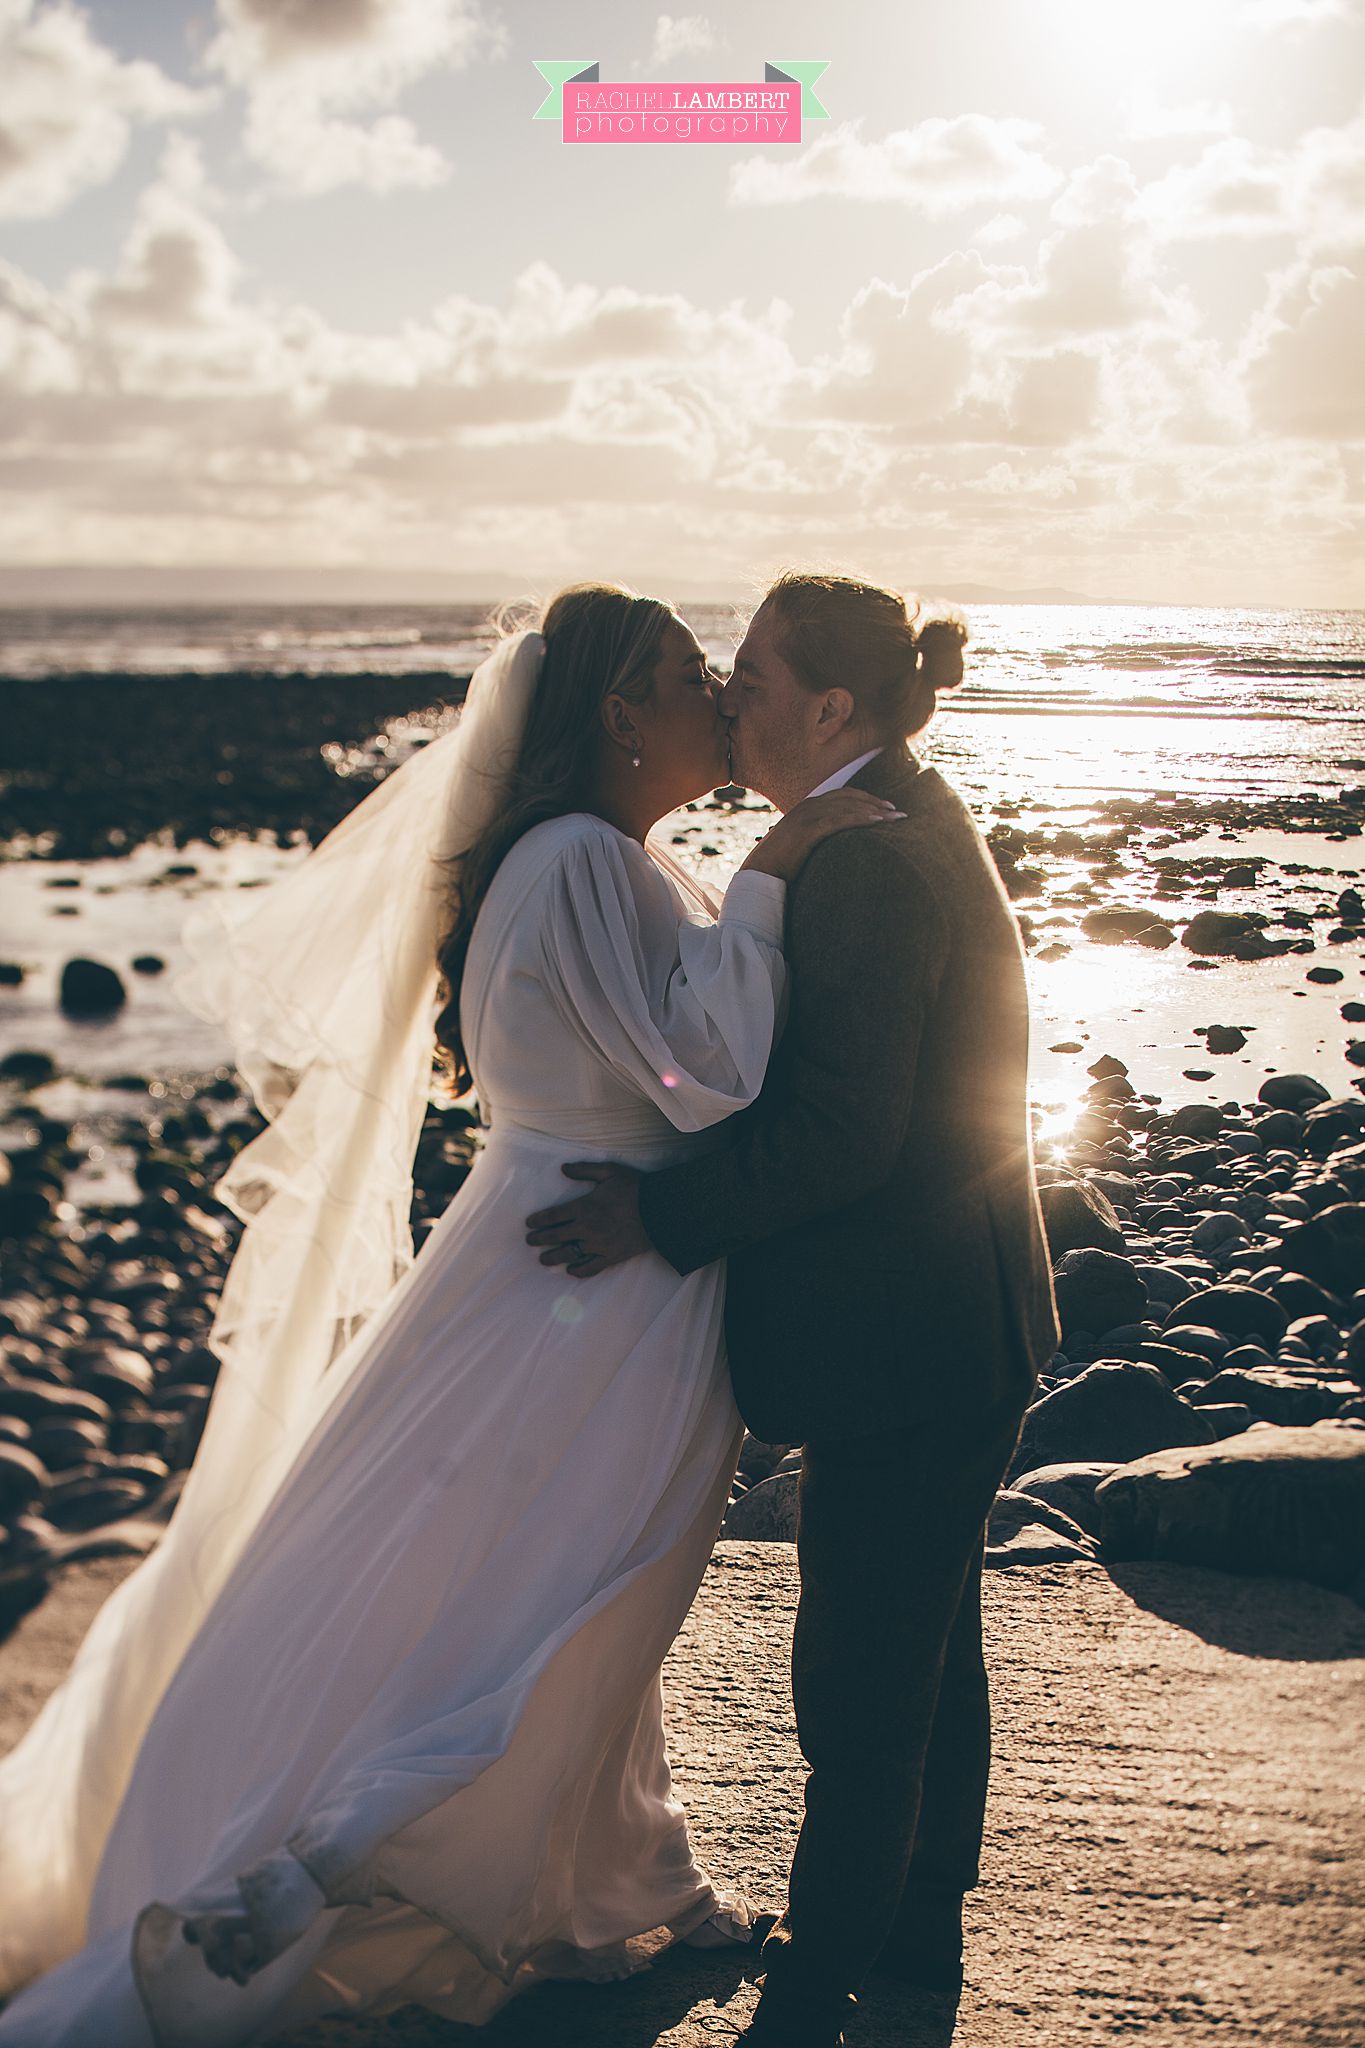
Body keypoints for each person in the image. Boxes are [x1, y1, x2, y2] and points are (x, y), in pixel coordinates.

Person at [0, 584, 897, 2045]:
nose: (719, 697)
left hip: (561, 1268)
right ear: (616, 718)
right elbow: (703, 1073)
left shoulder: (588, 857)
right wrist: (779, 868)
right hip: (590, 1287)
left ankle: (607, 1873)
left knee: (537, 1590)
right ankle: (318, 1871)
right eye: (687, 676)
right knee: (543, 1599)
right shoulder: (586, 862)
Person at [527, 571, 1062, 2048]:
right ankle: (904, 1959)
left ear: (829, 707)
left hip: (916, 1337)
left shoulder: (872, 861)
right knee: (924, 1660)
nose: (728, 696)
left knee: (859, 1687)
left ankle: (821, 1985)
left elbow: (844, 1129)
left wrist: (659, 1214)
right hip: (950, 1321)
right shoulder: (872, 816)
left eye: (751, 677)